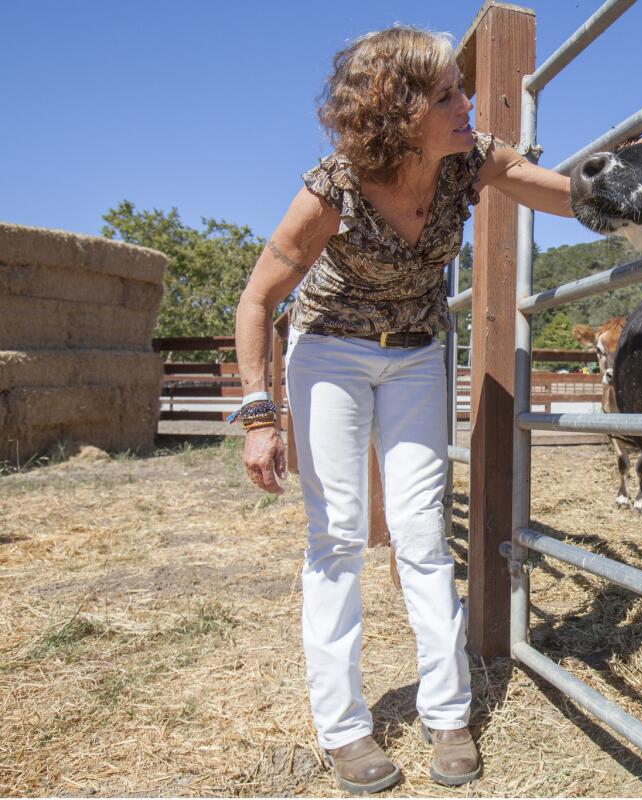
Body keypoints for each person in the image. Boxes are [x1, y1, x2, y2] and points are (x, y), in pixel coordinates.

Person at [232, 26, 574, 794]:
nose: (469, 102)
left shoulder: (470, 159)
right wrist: (259, 415)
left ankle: (446, 712)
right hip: (329, 351)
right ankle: (346, 729)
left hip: (419, 350)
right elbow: (257, 300)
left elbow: (556, 191)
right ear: (398, 109)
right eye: (449, 93)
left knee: (422, 533)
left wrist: (635, 187)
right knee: (340, 535)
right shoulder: (335, 187)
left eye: (463, 88)